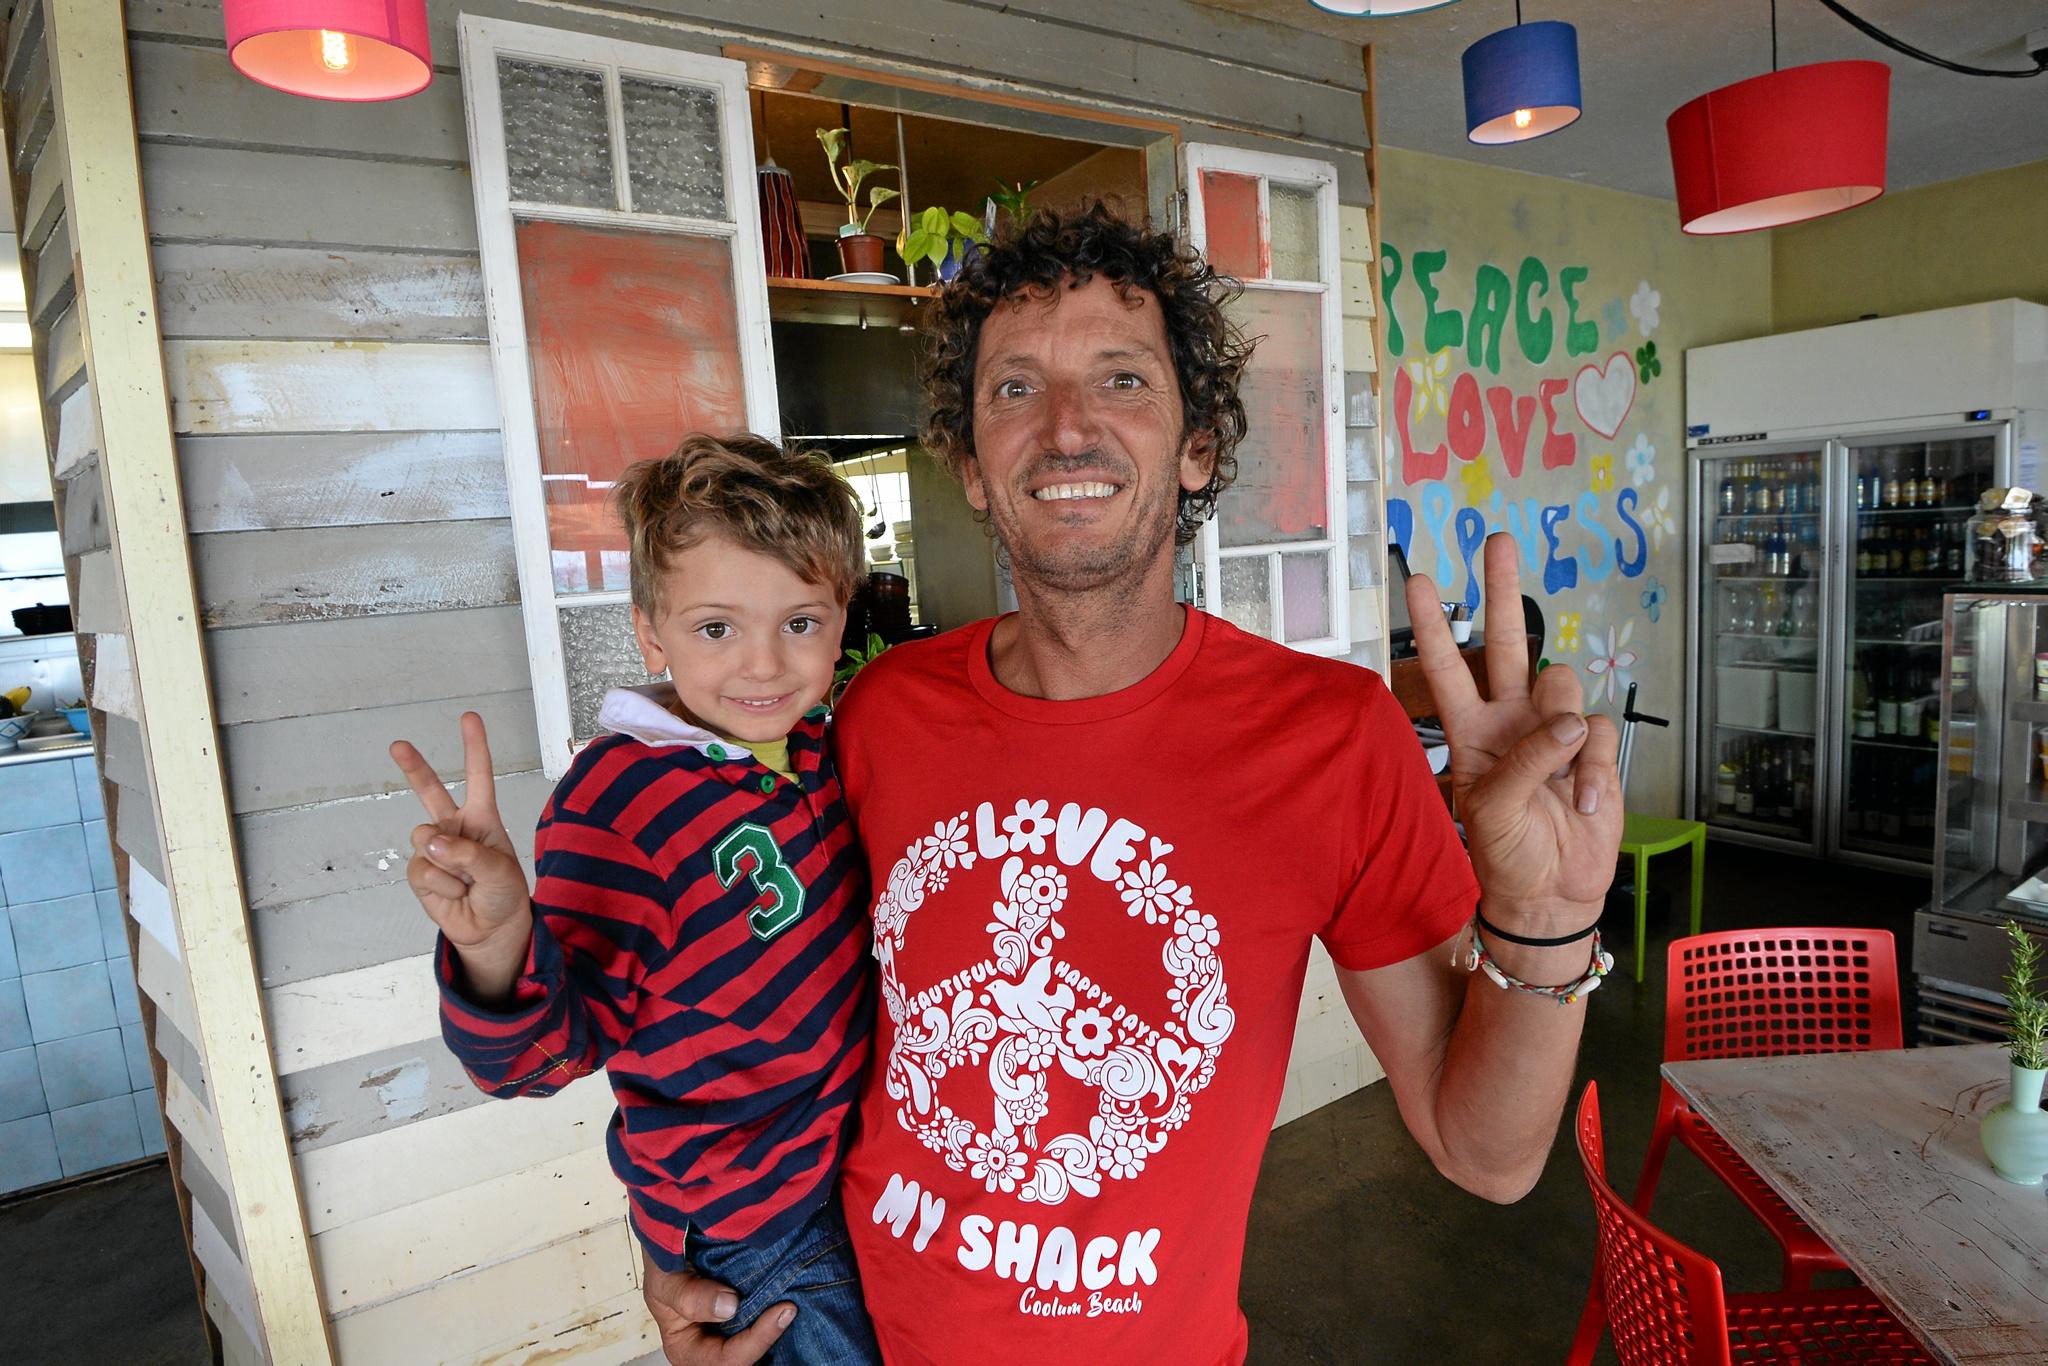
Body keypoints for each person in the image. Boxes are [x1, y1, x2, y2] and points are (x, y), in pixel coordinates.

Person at [636, 205, 1623, 1364]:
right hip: (844, 1329)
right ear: (966, 462)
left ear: (1195, 446)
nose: (1065, 429)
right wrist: (686, 1237)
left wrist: (1547, 922)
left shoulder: (1329, 736)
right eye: (1012, 390)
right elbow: (748, 997)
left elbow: (1486, 1156)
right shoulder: (878, 713)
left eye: (1120, 379)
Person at [389, 435, 883, 1364]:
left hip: (842, 1165)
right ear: (649, 630)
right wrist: (498, 942)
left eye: (801, 622)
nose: (765, 666)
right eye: (715, 628)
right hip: (755, 1223)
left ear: (841, 614)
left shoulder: (815, 749)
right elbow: (540, 1059)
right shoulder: (621, 800)